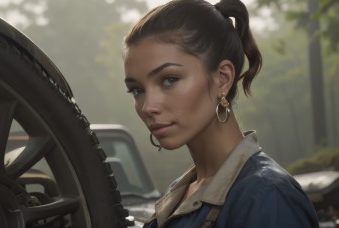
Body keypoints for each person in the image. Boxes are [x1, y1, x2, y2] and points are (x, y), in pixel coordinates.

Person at [122, 0, 319, 227]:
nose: (148, 107)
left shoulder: (267, 196)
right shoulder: (179, 194)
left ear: (222, 78)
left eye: (169, 79)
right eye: (137, 90)